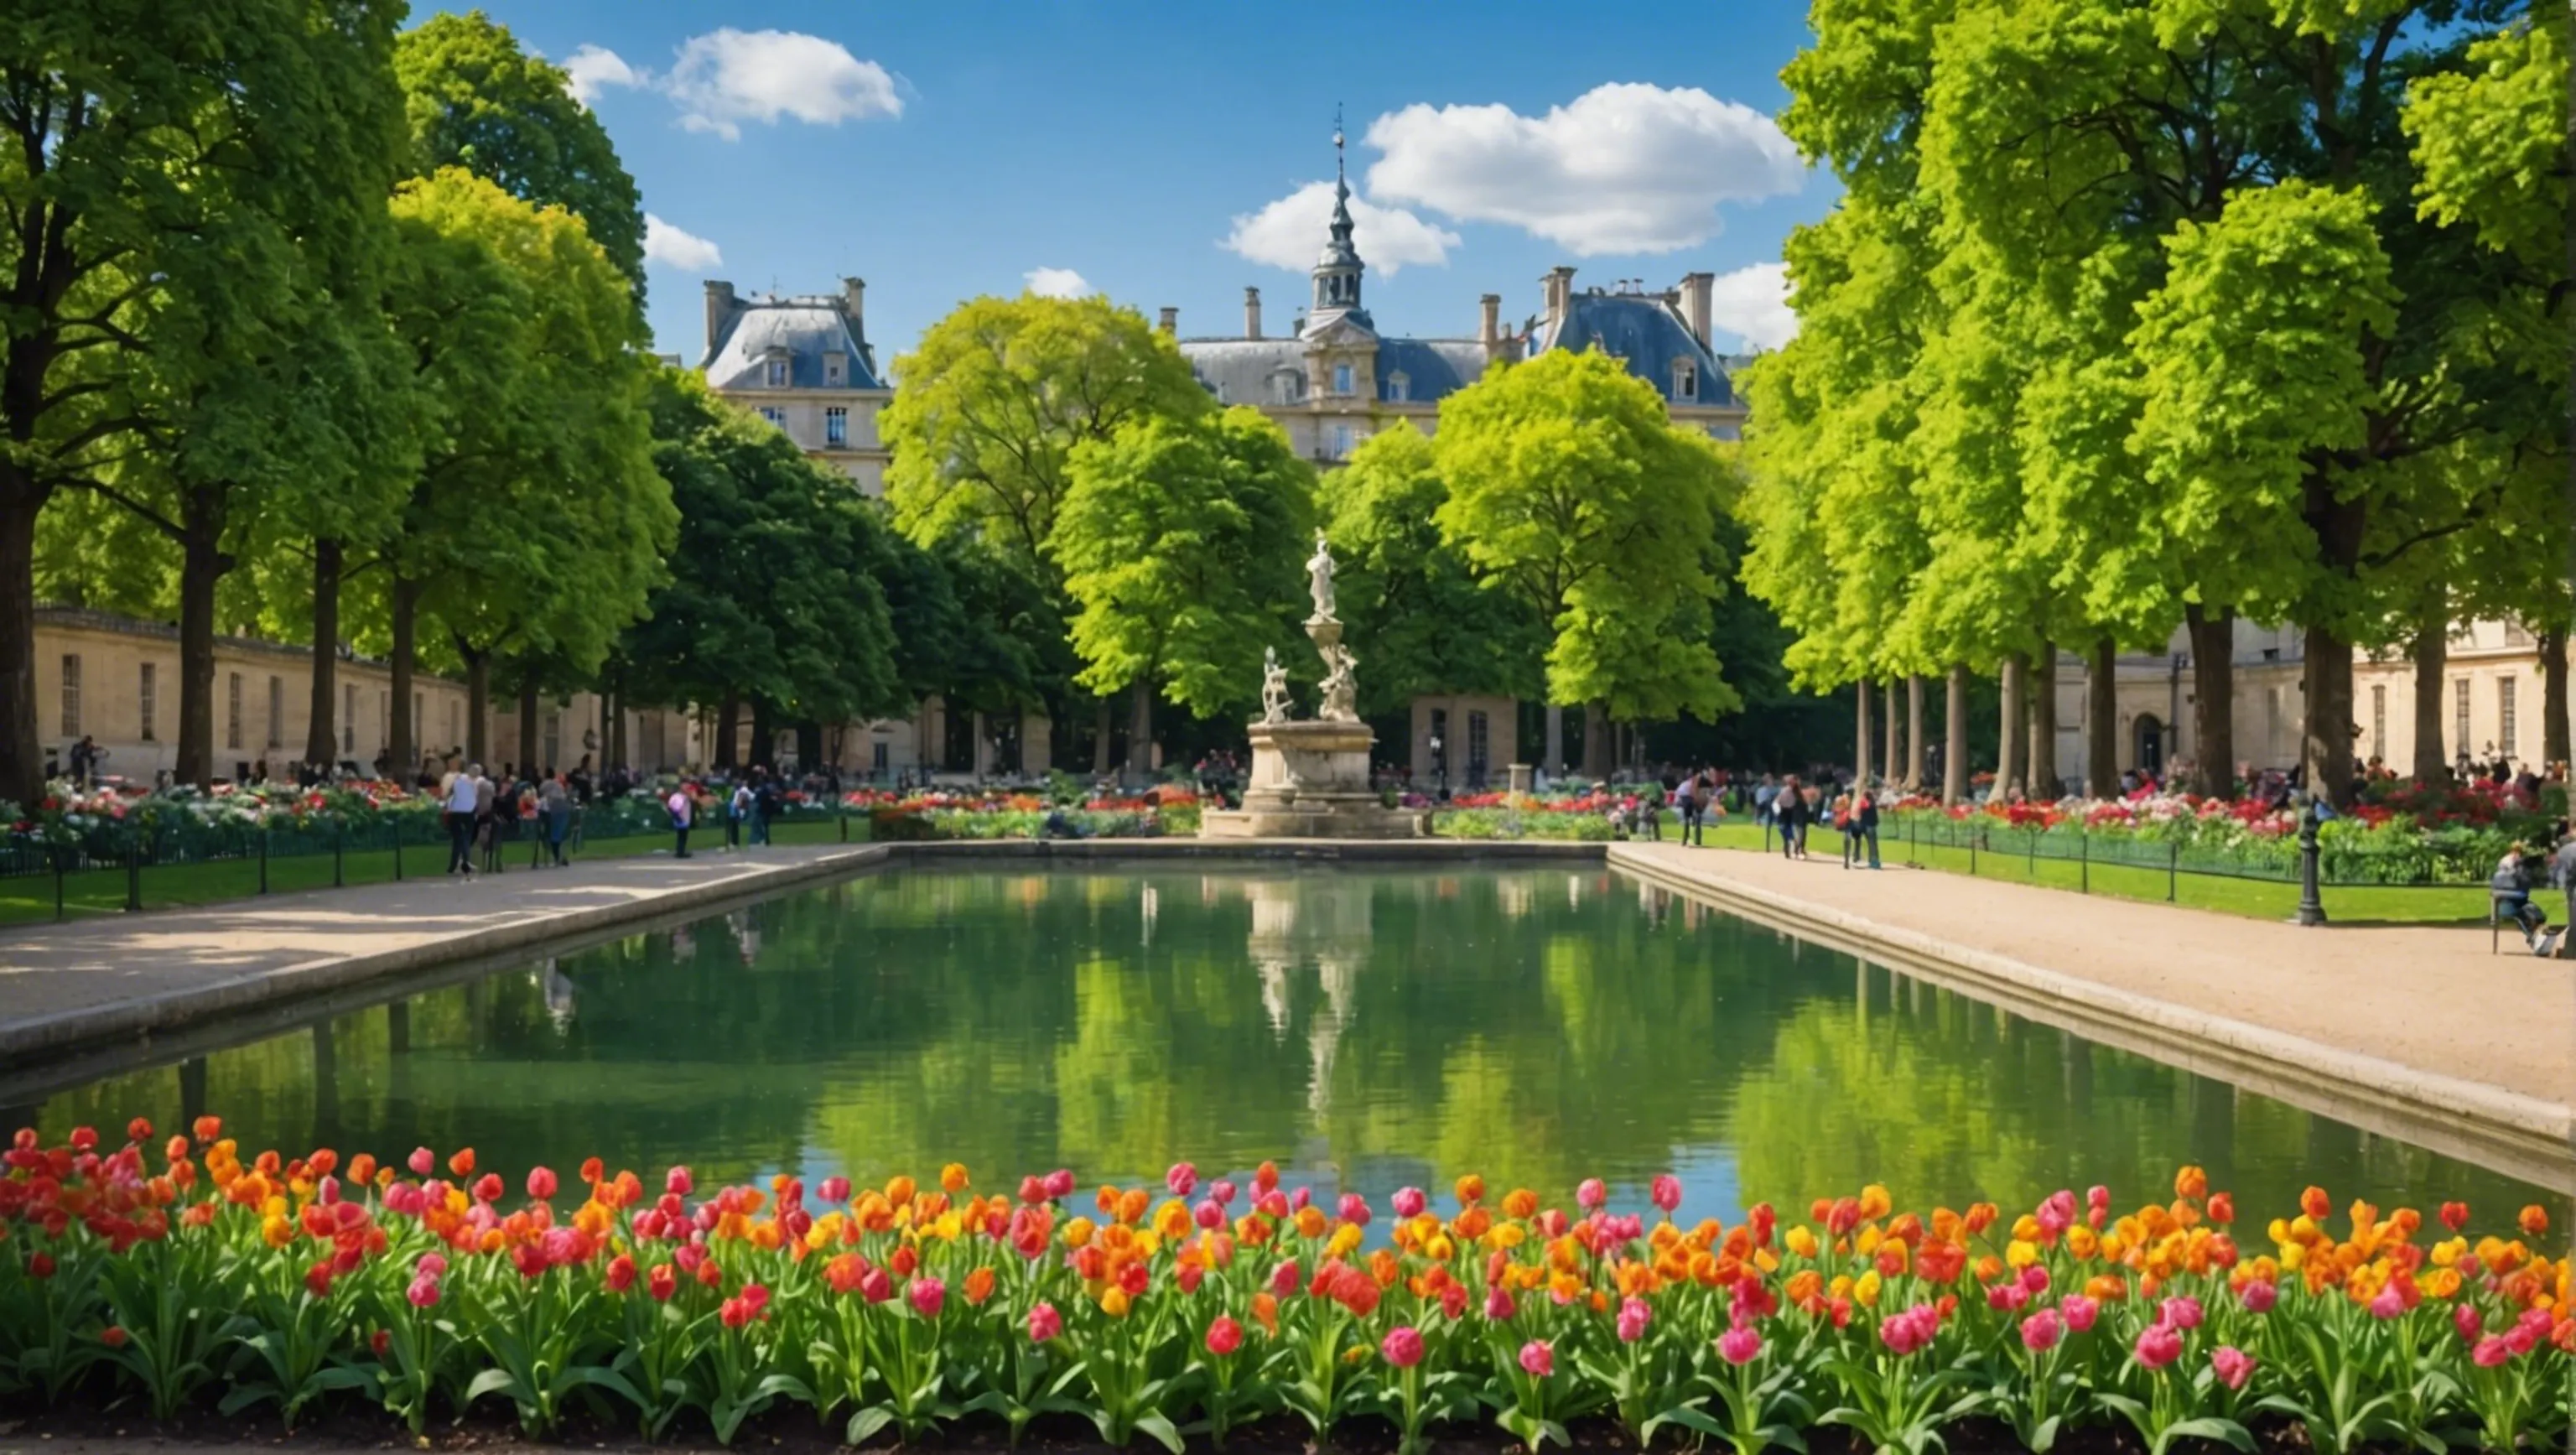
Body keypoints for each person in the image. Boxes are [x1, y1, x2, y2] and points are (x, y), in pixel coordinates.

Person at [2490, 844, 2563, 957]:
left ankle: (2537, 936)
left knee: (2535, 913)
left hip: (2516, 901)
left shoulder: (2519, 873)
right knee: (2525, 915)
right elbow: (2503, 893)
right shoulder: (2510, 872)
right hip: (2510, 903)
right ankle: (2534, 937)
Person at [444, 763, 480, 876]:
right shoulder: (475, 783)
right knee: (466, 838)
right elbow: (476, 797)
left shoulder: (458, 779)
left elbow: (450, 793)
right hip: (469, 812)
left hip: (456, 811)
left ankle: (452, 866)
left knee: (457, 840)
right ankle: (465, 863)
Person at [541, 774, 573, 867]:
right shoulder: (559, 788)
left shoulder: (549, 794)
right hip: (563, 811)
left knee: (555, 835)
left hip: (555, 813)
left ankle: (558, 857)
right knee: (559, 834)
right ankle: (560, 857)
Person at [1774, 775, 1806, 860]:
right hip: (1783, 810)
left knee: (1789, 828)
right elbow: (1778, 800)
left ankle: (1791, 845)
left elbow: (1802, 802)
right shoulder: (1784, 790)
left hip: (1792, 811)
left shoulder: (1797, 792)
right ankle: (1788, 843)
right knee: (1783, 828)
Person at [1852, 785, 1882, 870]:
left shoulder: (1863, 802)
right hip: (1871, 825)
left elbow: (1858, 812)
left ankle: (1857, 858)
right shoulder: (1872, 804)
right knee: (1872, 844)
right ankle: (1874, 861)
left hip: (1863, 825)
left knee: (1858, 842)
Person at [668, 781, 696, 859]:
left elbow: (670, 806)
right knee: (682, 836)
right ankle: (681, 852)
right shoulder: (681, 797)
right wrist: (678, 817)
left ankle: (680, 851)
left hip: (681, 818)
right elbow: (676, 808)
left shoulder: (677, 796)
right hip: (682, 818)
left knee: (681, 836)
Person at [728, 779, 751, 850]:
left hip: (740, 810)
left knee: (734, 826)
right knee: (733, 826)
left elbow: (740, 802)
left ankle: (734, 842)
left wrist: (737, 806)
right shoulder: (736, 791)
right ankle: (734, 842)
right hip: (735, 810)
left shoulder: (743, 790)